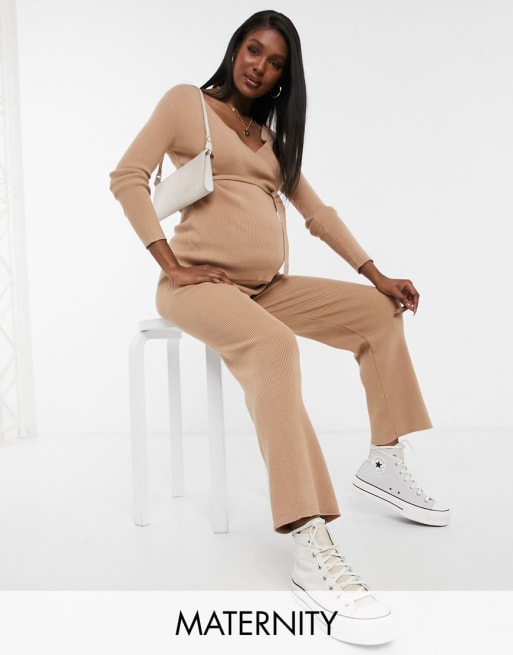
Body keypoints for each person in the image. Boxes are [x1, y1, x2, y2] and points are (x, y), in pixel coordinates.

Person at [110, 9, 450, 645]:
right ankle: (308, 534)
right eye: (252, 49)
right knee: (273, 345)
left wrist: (377, 274)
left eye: (274, 63)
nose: (259, 67)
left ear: (282, 80)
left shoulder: (270, 142)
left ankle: (384, 460)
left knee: (377, 313)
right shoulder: (186, 104)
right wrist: (171, 265)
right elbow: (127, 177)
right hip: (201, 287)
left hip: (267, 287)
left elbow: (318, 214)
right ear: (234, 48)